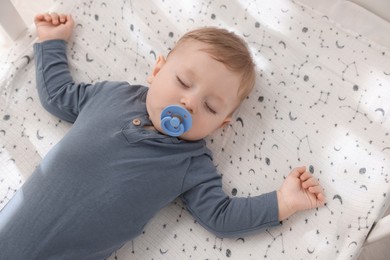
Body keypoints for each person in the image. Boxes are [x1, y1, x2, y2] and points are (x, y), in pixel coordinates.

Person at [0, 13, 326, 259]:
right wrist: (52, 41)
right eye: (183, 82)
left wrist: (282, 203)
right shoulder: (112, 96)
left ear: (221, 125)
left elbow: (221, 216)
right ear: (157, 71)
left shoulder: (192, 164)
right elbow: (59, 96)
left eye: (210, 107)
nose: (190, 103)